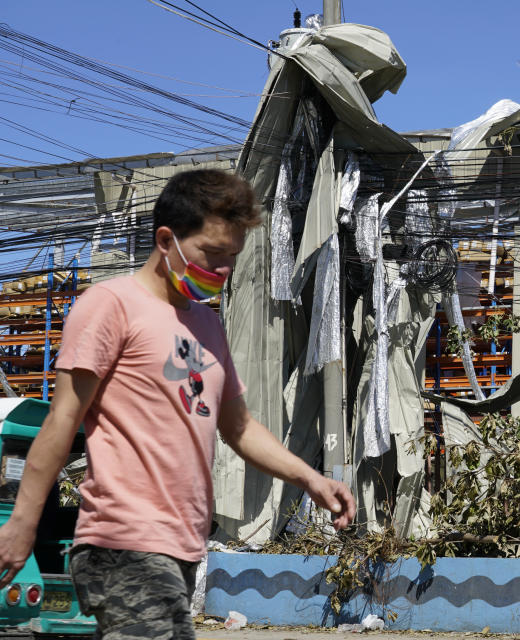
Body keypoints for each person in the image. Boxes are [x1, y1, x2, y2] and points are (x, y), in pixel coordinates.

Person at [0, 169, 356, 640]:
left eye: (231, 257)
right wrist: (21, 526)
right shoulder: (111, 305)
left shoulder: (208, 327)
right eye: (211, 254)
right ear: (166, 240)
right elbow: (61, 420)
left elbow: (241, 428)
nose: (223, 270)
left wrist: (311, 478)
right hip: (122, 539)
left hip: (184, 543)